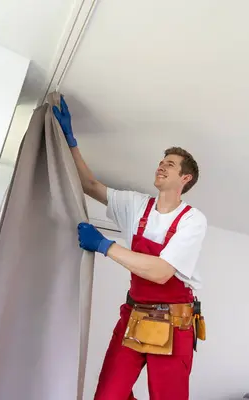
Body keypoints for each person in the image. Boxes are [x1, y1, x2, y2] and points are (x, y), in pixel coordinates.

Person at [53, 96, 207, 400]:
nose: (161, 166)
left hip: (175, 323)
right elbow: (90, 184)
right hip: (134, 316)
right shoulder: (136, 205)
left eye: (171, 165)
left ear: (185, 178)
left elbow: (162, 273)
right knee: (108, 396)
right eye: (162, 162)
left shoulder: (193, 220)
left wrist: (104, 245)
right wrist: (70, 141)